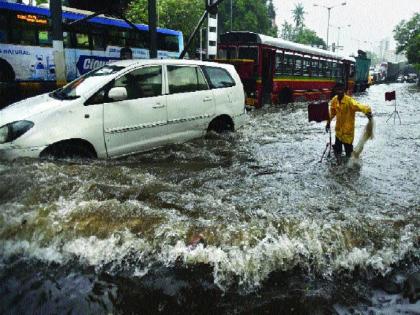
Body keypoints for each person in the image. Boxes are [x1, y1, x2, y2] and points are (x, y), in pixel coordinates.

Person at [326, 83, 372, 158]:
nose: (339, 92)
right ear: (335, 91)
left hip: (348, 133)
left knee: (349, 154)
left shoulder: (349, 101)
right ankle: (339, 165)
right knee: (337, 152)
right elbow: (332, 113)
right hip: (338, 132)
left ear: (344, 90)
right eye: (338, 90)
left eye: (341, 90)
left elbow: (359, 106)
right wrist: (328, 122)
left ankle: (349, 168)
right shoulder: (334, 100)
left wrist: (367, 111)